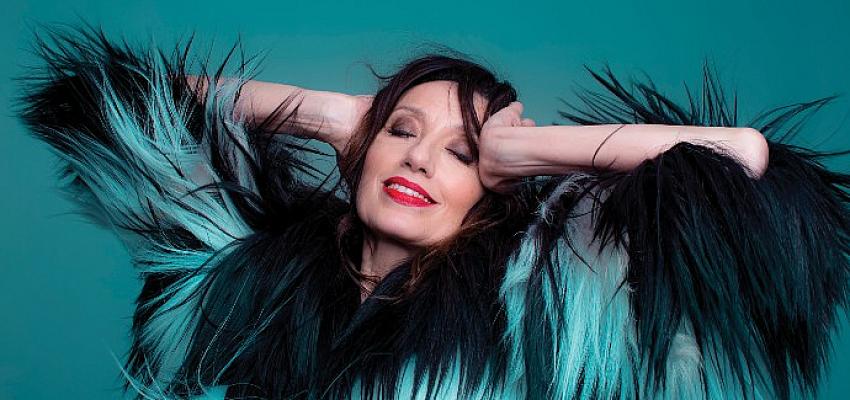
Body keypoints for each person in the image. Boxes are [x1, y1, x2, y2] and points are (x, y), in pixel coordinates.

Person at [17, 26, 850, 400]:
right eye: (400, 133)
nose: (419, 159)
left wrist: (524, 150)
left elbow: (743, 160)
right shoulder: (258, 278)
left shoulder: (533, 312)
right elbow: (107, 105)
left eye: (462, 153)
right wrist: (335, 114)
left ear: (492, 186)